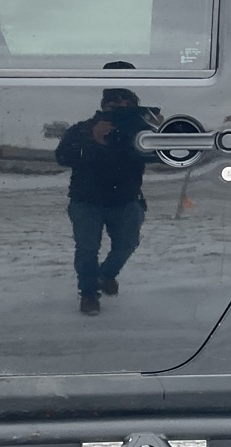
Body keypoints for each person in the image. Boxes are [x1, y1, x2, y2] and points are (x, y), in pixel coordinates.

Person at [55, 83, 160, 315]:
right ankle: (89, 294)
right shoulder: (83, 128)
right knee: (87, 249)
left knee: (127, 244)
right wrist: (92, 139)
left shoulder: (141, 132)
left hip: (126, 200)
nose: (122, 108)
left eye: (128, 105)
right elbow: (62, 156)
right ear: (105, 106)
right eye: (116, 103)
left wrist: (162, 133)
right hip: (86, 201)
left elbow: (160, 157)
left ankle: (106, 275)